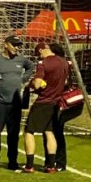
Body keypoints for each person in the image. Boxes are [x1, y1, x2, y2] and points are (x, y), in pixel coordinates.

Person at [0, 36, 35, 170]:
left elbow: (31, 66)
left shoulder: (21, 59)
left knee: (13, 134)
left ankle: (12, 161)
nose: (17, 48)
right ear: (6, 44)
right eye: (14, 45)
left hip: (15, 103)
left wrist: (22, 79)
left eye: (18, 45)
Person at [21, 42, 68, 174]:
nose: (39, 56)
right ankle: (51, 165)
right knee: (49, 132)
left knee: (29, 131)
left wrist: (31, 84)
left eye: (38, 53)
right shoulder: (64, 62)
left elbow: (37, 84)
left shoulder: (43, 63)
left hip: (43, 102)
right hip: (57, 102)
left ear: (42, 50)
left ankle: (29, 165)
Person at [44, 43, 71, 172]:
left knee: (54, 132)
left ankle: (57, 162)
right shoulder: (64, 64)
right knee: (53, 131)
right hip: (57, 102)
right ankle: (54, 162)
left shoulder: (60, 65)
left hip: (56, 102)